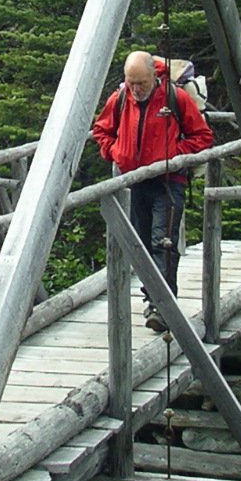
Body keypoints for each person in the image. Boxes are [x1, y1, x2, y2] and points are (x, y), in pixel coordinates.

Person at [90, 51, 212, 323]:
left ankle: (163, 307)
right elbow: (101, 130)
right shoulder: (120, 98)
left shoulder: (174, 98)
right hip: (134, 182)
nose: (136, 89)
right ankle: (152, 299)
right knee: (142, 245)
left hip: (168, 182)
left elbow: (202, 136)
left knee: (163, 242)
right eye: (131, 83)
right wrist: (115, 151)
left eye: (141, 83)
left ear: (154, 76)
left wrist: (174, 153)